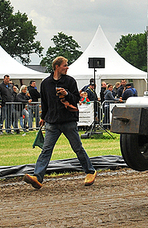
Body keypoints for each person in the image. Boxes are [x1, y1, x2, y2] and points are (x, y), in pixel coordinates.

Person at [23, 56, 97, 189]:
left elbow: (76, 99)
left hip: (68, 120)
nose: (67, 67)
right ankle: (37, 177)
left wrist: (67, 93)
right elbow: (44, 102)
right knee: (46, 150)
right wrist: (43, 117)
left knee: (78, 148)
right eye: (65, 65)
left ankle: (90, 172)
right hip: (52, 122)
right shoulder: (45, 83)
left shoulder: (70, 81)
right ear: (57, 67)